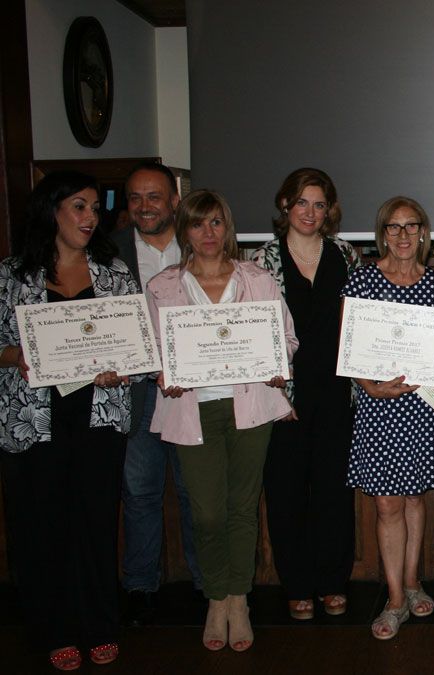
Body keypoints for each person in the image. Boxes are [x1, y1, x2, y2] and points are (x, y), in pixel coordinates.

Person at [145, 189, 297, 653]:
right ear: (184, 230)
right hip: (192, 409)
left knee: (242, 508)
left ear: (226, 227)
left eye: (215, 223)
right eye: (197, 224)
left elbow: (286, 337)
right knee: (207, 512)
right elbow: (153, 348)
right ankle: (215, 596)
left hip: (250, 408)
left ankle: (238, 600)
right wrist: (162, 373)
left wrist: (278, 361)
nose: (207, 233)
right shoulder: (163, 286)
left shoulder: (258, 278)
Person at [0, 170, 137, 670]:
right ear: (51, 211)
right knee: (42, 525)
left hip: (98, 418)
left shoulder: (115, 272)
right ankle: (54, 628)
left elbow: (134, 349)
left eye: (93, 209)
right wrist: (18, 355)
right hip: (34, 421)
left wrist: (118, 369)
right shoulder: (13, 275)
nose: (89, 217)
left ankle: (100, 624)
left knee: (96, 523)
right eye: (78, 207)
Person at [343, 196, 434, 640]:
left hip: (425, 408)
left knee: (416, 500)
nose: (402, 235)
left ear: (423, 232)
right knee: (387, 503)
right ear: (382, 234)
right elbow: (349, 348)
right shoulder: (360, 281)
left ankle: (413, 581)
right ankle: (395, 600)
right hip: (379, 409)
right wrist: (368, 385)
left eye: (410, 226)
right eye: (393, 228)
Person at [252, 168, 361, 621]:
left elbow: (362, 323)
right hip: (285, 399)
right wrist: (275, 395)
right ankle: (296, 584)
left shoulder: (348, 256)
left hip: (338, 395)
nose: (310, 213)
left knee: (334, 492)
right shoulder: (261, 261)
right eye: (302, 203)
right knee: (286, 493)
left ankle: (333, 581)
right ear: (284, 205)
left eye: (319, 204)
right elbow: (254, 335)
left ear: (329, 209)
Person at [114, 162, 204, 625]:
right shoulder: (107, 254)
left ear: (174, 201)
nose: (144, 206)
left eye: (154, 197)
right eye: (135, 198)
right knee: (141, 492)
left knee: (195, 490)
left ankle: (205, 585)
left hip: (191, 389)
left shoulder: (199, 245)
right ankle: (140, 587)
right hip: (137, 390)